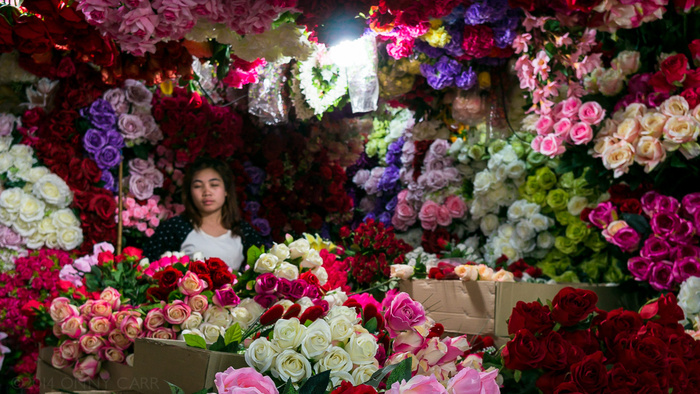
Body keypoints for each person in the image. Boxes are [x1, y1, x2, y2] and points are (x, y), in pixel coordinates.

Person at [143, 157, 262, 272]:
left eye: (214, 185)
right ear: (189, 192)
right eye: (198, 186)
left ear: (226, 191)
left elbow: (259, 272)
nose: (206, 192)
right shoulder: (175, 228)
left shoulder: (243, 231)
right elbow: (149, 269)